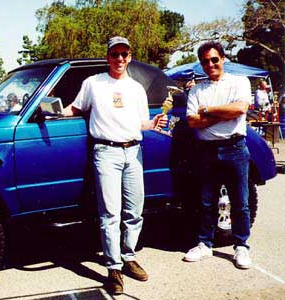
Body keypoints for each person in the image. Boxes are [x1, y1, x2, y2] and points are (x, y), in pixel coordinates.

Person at [63, 36, 167, 295]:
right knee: (110, 214)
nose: (119, 59)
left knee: (135, 211)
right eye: (115, 54)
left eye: (124, 54)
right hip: (106, 152)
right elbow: (74, 109)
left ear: (129, 57)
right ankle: (114, 268)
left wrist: (152, 124)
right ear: (107, 57)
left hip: (133, 152)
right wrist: (51, 111)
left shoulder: (136, 88)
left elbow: (141, 122)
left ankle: (129, 257)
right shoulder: (93, 83)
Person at [183, 41, 252, 269]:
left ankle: (241, 246)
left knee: (240, 202)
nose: (210, 64)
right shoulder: (197, 90)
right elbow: (192, 121)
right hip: (207, 150)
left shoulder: (239, 82)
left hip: (235, 148)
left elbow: (240, 109)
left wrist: (208, 110)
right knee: (206, 201)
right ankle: (205, 244)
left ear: (223, 59)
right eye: (205, 61)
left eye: (214, 59)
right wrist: (224, 112)